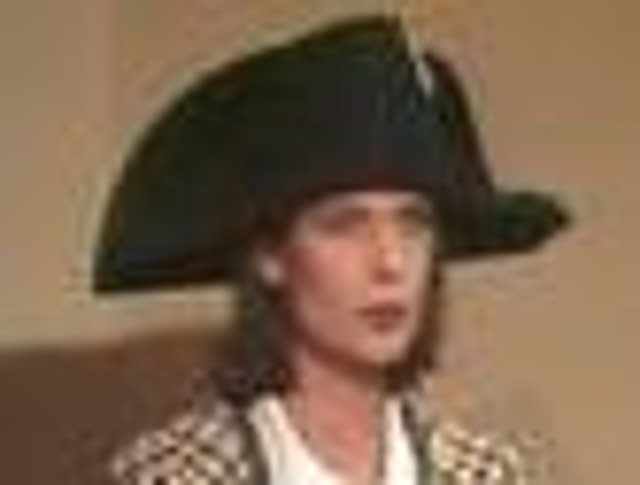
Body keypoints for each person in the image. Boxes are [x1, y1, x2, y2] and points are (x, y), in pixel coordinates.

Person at [94, 15, 570, 484]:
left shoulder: (480, 474)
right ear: (270, 256)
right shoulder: (177, 476)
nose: (390, 263)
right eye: (345, 225)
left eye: (413, 222)